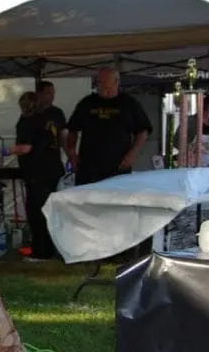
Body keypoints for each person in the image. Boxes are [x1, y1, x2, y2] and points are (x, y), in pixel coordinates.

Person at [65, 68, 152, 186]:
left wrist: (132, 155)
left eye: (104, 82)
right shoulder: (87, 103)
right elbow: (72, 129)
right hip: (88, 167)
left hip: (118, 166)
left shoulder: (129, 103)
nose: (100, 85)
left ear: (116, 82)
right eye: (98, 82)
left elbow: (142, 131)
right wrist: (72, 154)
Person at [13, 82, 68, 261]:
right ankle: (49, 249)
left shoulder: (30, 120)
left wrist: (4, 151)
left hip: (39, 170)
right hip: (51, 169)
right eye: (48, 93)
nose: (52, 96)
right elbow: (62, 138)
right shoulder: (47, 116)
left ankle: (41, 251)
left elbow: (26, 147)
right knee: (48, 209)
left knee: (37, 211)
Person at [173, 95, 209, 167]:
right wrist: (192, 147)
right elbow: (177, 143)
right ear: (204, 109)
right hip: (191, 165)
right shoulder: (189, 122)